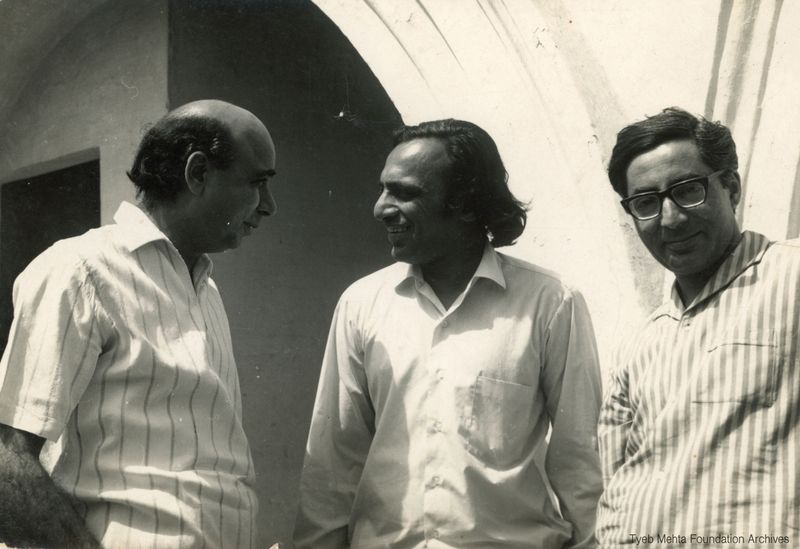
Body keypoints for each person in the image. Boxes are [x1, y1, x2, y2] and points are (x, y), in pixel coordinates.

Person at [294, 119, 603, 548]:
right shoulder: (361, 303)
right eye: (385, 189)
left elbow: (580, 462)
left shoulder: (550, 304)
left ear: (465, 203)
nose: (380, 207)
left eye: (404, 193)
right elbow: (333, 462)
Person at [0, 99, 277, 548]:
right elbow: (8, 463)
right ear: (198, 173)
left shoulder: (205, 288)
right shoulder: (81, 271)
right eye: (258, 183)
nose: (269, 206)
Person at [596, 107, 799, 546]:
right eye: (646, 203)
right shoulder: (638, 343)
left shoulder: (792, 276)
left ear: (732, 187)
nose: (669, 219)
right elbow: (614, 483)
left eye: (687, 190)